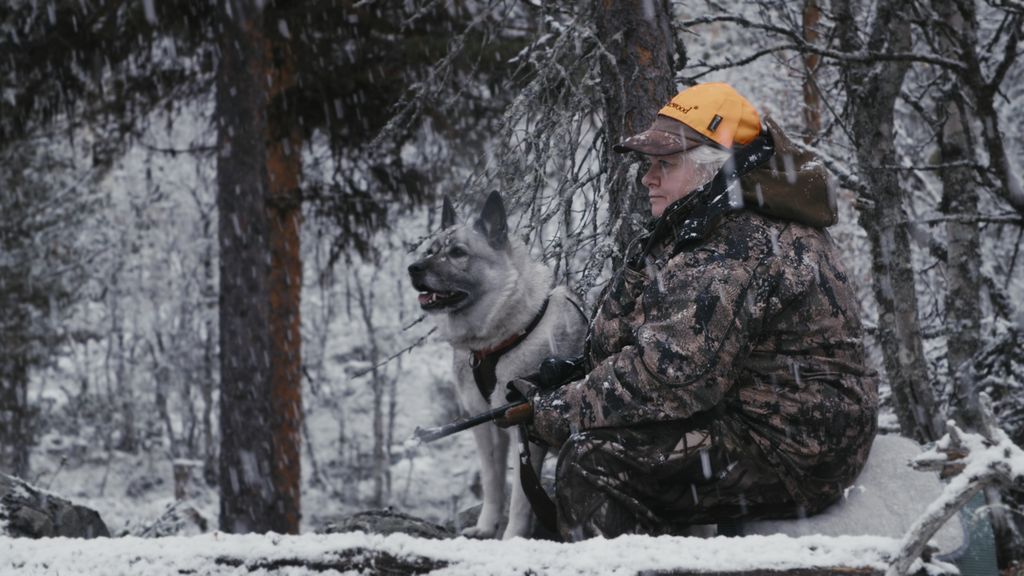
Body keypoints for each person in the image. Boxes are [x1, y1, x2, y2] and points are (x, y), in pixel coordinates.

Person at [501, 82, 878, 541]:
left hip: (798, 445)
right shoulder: (698, 227)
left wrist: (554, 412)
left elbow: (668, 380)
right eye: (649, 164)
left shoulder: (740, 244)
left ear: (711, 169)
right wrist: (572, 377)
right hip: (746, 418)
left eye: (665, 163)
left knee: (597, 462)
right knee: (609, 440)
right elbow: (640, 343)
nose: (648, 178)